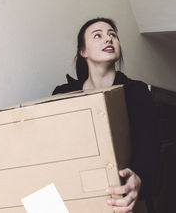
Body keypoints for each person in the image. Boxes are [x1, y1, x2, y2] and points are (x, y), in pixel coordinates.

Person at [52, 17, 159, 213]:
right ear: (83, 51)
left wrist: (139, 178)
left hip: (118, 199)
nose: (108, 39)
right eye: (98, 35)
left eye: (112, 35)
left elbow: (149, 147)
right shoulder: (62, 94)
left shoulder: (136, 91)